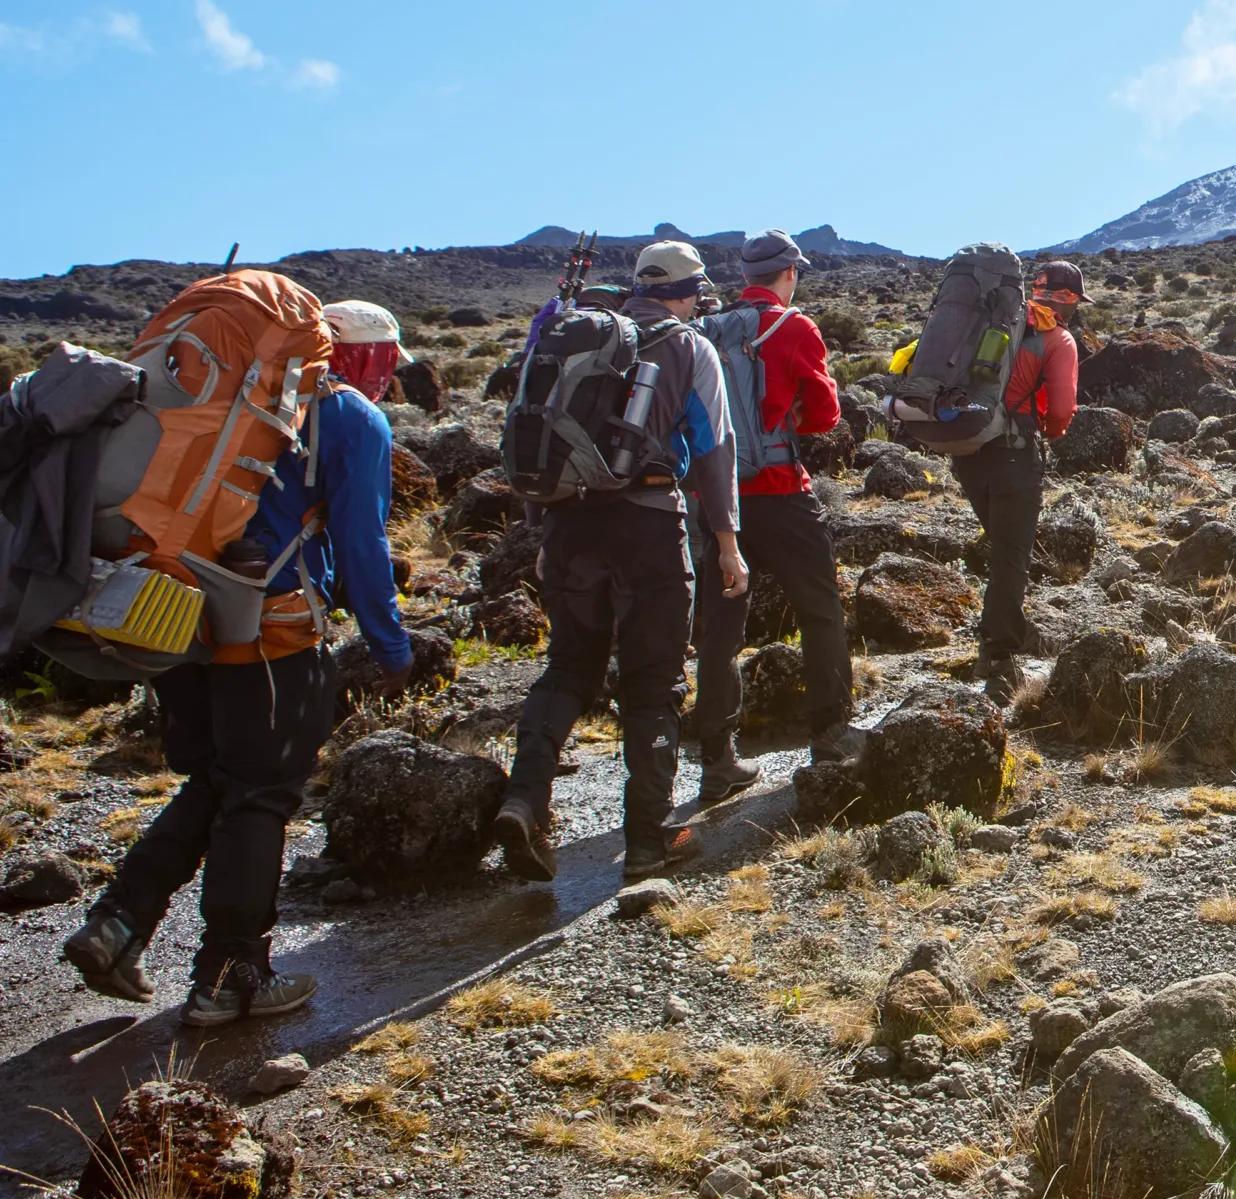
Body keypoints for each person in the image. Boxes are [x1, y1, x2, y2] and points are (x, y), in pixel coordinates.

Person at [61, 289, 414, 1026]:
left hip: (177, 617)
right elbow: (363, 543)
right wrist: (391, 645)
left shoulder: (231, 404)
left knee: (219, 780)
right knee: (260, 793)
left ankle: (117, 923)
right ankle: (231, 977)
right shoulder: (351, 416)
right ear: (358, 354)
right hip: (271, 629)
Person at [494, 240, 748, 884]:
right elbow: (715, 450)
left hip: (568, 525)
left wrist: (542, 525)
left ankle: (523, 800)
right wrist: (727, 543)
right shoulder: (690, 346)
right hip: (650, 525)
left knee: (567, 669)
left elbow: (532, 431)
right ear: (690, 292)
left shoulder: (572, 334)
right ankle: (645, 844)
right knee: (655, 679)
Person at [690, 230, 853, 804]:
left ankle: (717, 758)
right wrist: (789, 421)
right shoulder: (793, 327)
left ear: (745, 277)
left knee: (721, 629)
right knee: (819, 608)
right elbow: (827, 414)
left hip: (717, 500)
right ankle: (831, 734)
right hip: (782, 491)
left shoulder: (708, 330)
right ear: (790, 273)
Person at [952, 260, 1081, 699]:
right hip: (1014, 455)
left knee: (1000, 546)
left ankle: (997, 635)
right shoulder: (1057, 338)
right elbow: (1062, 409)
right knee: (1011, 555)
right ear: (1067, 299)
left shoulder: (990, 323)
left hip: (967, 450)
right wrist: (1050, 431)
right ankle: (1000, 658)